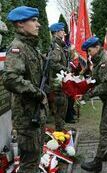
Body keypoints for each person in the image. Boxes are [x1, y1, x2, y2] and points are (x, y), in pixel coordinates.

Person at [2, 6, 48, 172]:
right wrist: (37, 92)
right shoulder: (17, 47)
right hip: (27, 117)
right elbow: (10, 78)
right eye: (34, 20)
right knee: (29, 164)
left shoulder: (31, 47)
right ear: (21, 23)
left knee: (34, 160)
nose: (38, 24)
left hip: (36, 114)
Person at [80, 36, 107, 172]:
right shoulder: (99, 61)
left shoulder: (106, 61)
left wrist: (87, 95)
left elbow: (104, 85)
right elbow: (96, 80)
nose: (88, 53)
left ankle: (97, 162)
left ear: (97, 47)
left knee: (105, 128)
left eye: (89, 50)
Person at [48, 22, 69, 130]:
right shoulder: (56, 47)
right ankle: (59, 134)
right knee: (60, 110)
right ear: (56, 32)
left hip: (60, 83)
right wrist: (66, 70)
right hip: (57, 85)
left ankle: (61, 132)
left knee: (62, 110)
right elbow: (53, 63)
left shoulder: (59, 46)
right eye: (62, 30)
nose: (64, 33)